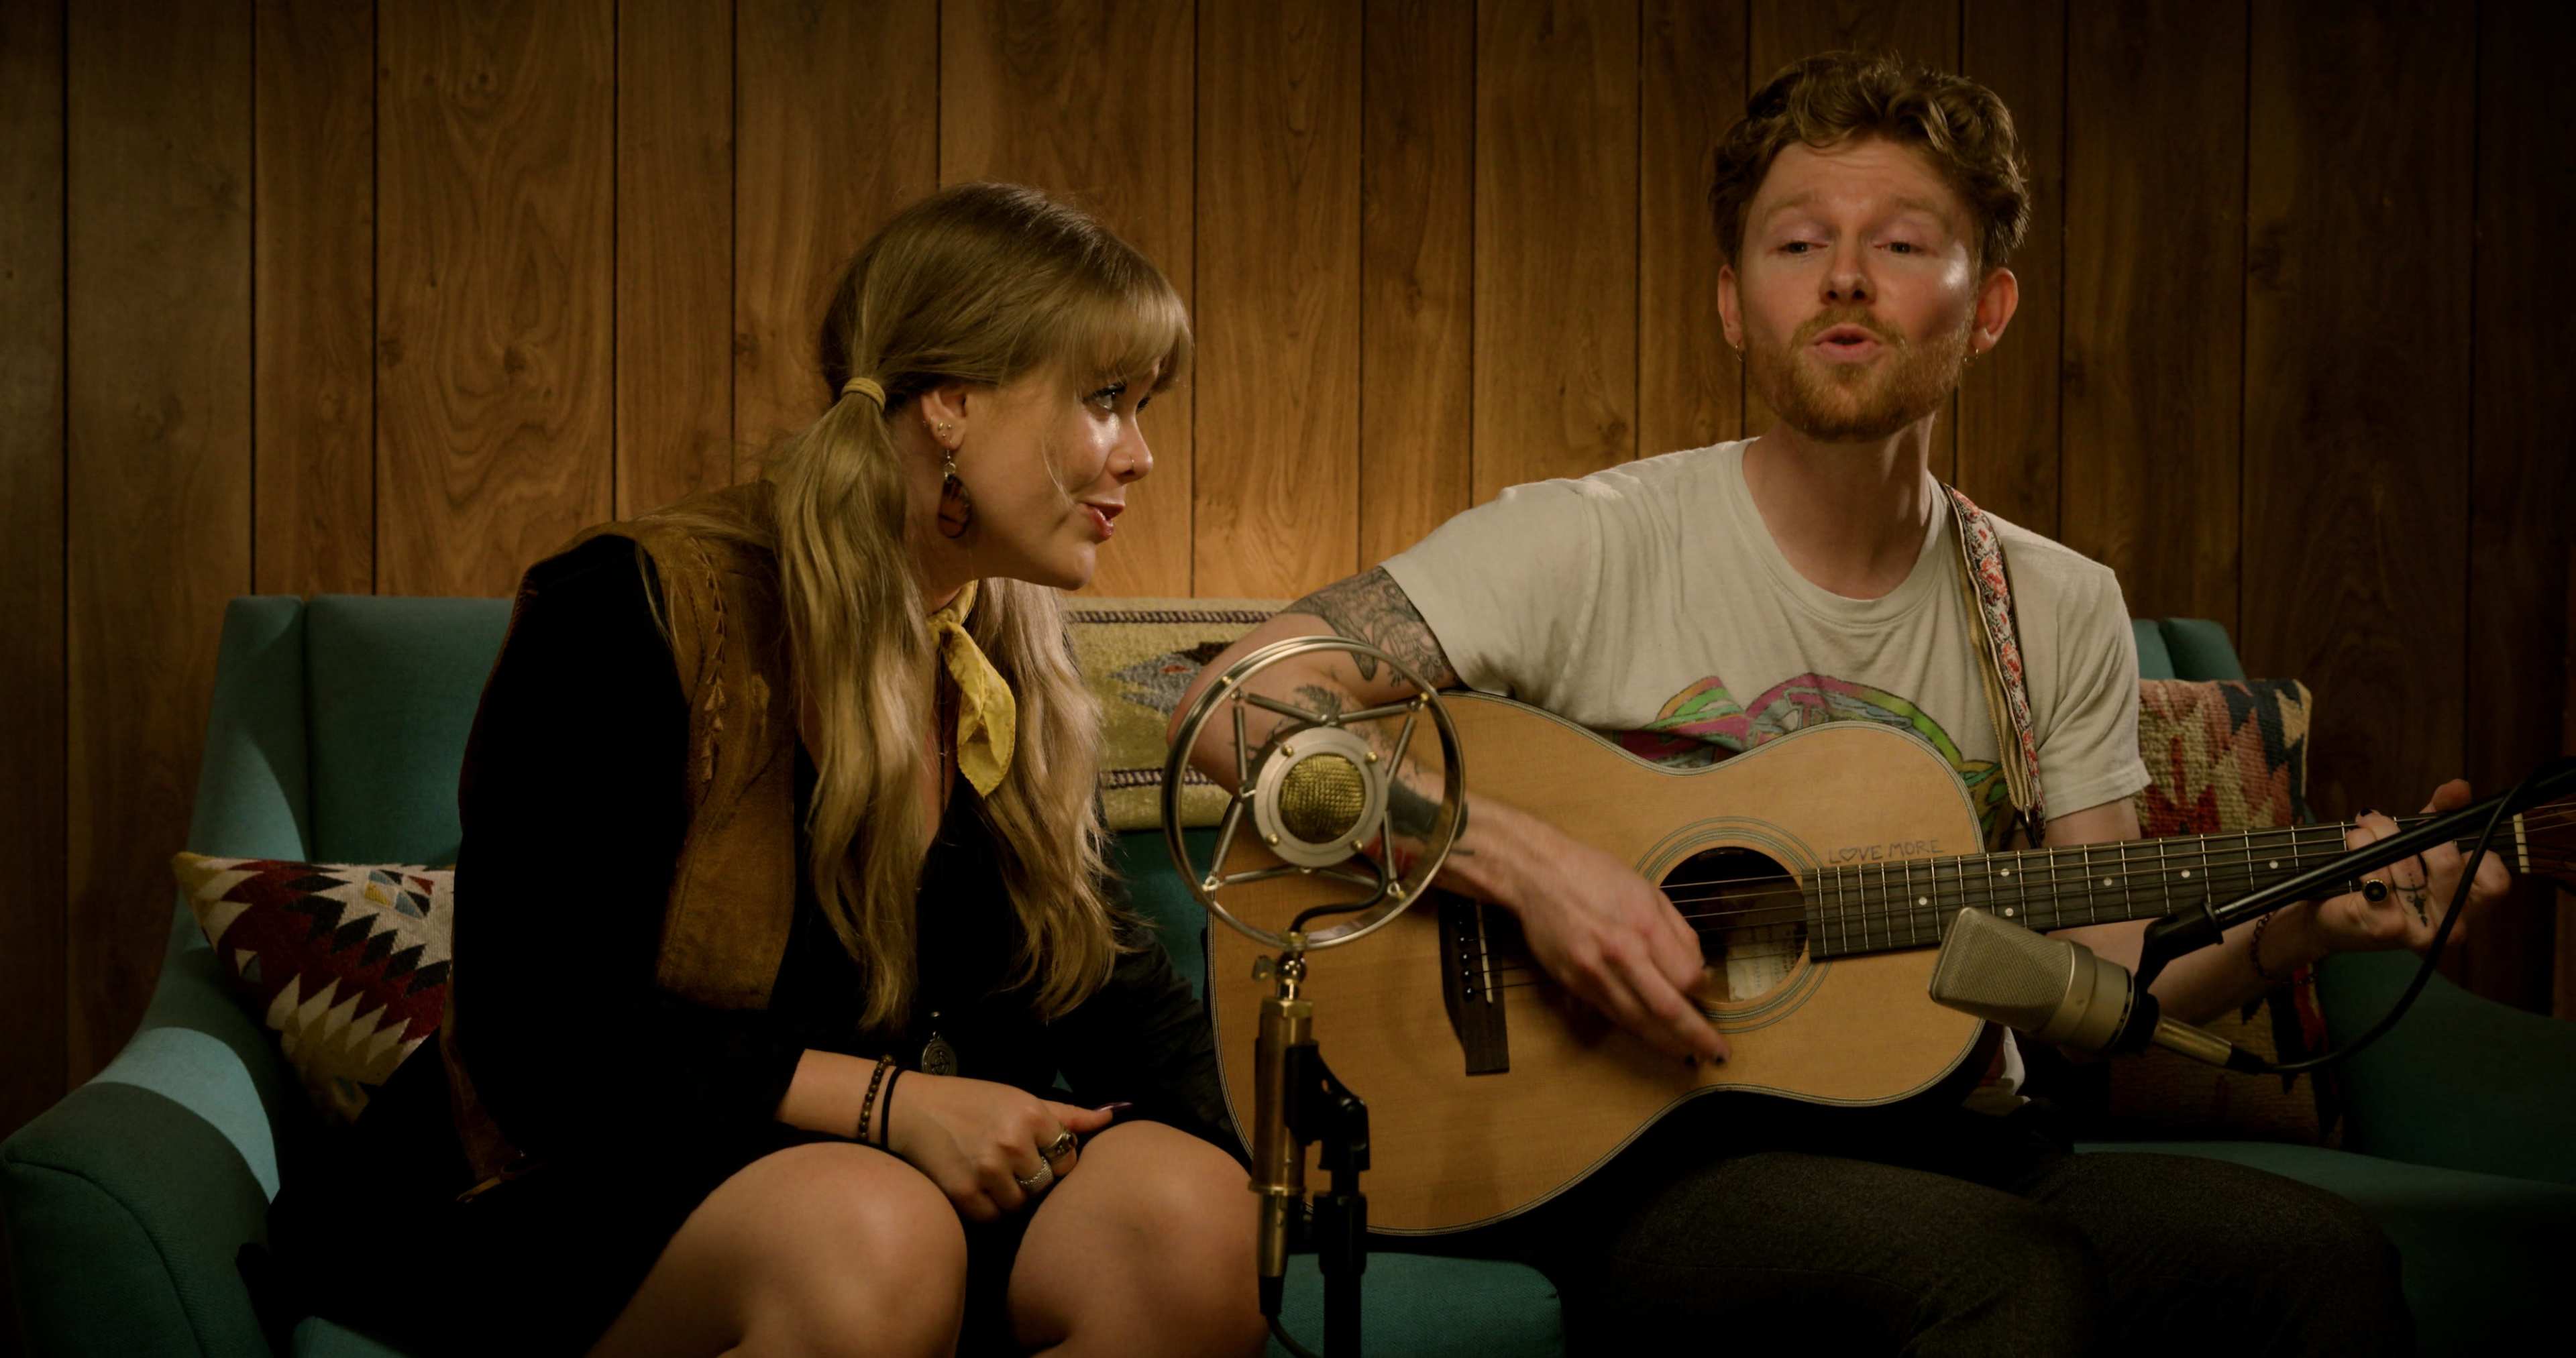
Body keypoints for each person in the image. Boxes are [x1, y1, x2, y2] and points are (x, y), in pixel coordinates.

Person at [1178, 52, 2509, 1355]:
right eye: (1799, 242)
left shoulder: (2048, 603)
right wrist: (1529, 868)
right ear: (1732, 302)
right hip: (1653, 1151)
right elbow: (1225, 704)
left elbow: (2099, 972)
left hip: (1952, 1140)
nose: (1846, 279)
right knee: (1997, 1275)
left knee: (2318, 1263)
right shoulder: (1586, 543)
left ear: (1988, 306)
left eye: (1902, 244)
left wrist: (2296, 932)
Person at [276, 183, 1266, 1358]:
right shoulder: (634, 607)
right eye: (1107, 399)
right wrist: (891, 1106)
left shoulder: (1004, 636)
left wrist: (1251, 1170)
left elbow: (1105, 984)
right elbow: (541, 1036)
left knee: (1193, 1221)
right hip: (601, 1182)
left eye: (1143, 406)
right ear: (950, 402)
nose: (1142, 455)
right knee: (871, 1230)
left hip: (901, 1186)